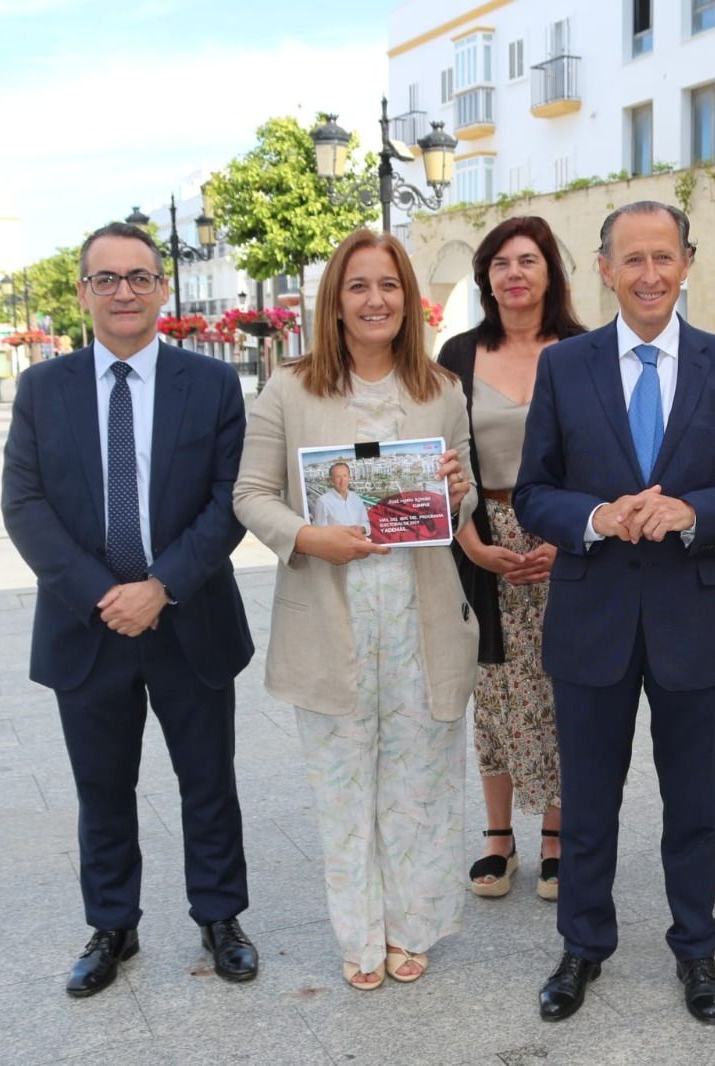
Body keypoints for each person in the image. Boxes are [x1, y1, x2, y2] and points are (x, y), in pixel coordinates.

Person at [515, 201, 715, 1025]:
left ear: (688, 263)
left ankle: (696, 948)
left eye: (664, 257)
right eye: (633, 259)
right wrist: (594, 520)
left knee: (694, 803)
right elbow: (534, 493)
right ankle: (582, 945)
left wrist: (691, 514)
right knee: (589, 802)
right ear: (604, 269)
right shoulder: (566, 367)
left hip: (694, 622)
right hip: (592, 618)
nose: (650, 274)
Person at [1, 221, 258, 998]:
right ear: (83, 292)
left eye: (139, 277)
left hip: (190, 620)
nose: (124, 292)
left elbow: (229, 502)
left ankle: (220, 917)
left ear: (162, 289)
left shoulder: (210, 385)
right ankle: (113, 923)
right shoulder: (42, 389)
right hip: (88, 627)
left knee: (208, 781)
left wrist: (162, 586)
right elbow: (24, 504)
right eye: (106, 278)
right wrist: (104, 596)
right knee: (102, 787)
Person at [232, 228, 476, 991]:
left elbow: (459, 510)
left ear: (409, 300)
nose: (376, 300)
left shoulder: (441, 391)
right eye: (360, 286)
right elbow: (250, 494)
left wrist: (457, 493)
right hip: (330, 620)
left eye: (390, 285)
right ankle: (360, 937)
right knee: (343, 792)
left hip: (420, 618)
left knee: (420, 787)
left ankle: (413, 926)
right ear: (335, 302)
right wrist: (308, 535)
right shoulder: (290, 388)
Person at [436, 216, 586, 902]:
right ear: (485, 278)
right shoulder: (457, 355)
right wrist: (473, 544)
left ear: (551, 271)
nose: (514, 273)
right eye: (500, 263)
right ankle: (499, 837)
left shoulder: (587, 350)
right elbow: (440, 459)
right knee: (495, 690)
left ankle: (560, 833)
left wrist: (572, 535)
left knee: (567, 687)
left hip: (573, 536)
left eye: (528, 260)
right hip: (480, 534)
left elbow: (608, 454)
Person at [310, 461, 370, 532]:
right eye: (338, 477)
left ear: (349, 477)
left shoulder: (356, 498)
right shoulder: (323, 502)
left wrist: (362, 529)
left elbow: (366, 524)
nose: (342, 481)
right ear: (331, 480)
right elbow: (321, 532)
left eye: (345, 476)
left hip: (358, 541)